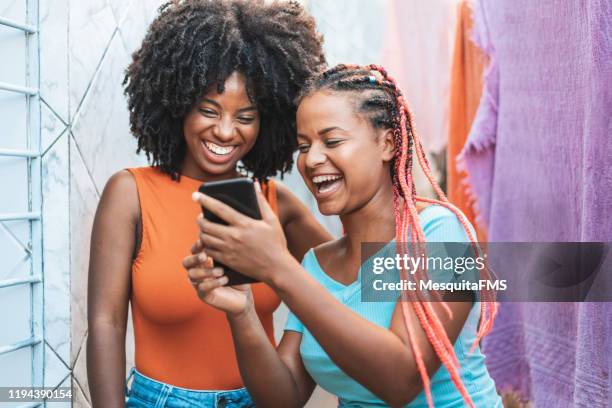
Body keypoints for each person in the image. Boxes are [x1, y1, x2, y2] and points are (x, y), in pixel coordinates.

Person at [185, 64, 502, 407]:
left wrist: (279, 268)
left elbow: (404, 379)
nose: (312, 159)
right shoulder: (315, 265)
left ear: (388, 143)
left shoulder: (440, 233)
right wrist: (242, 310)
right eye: (303, 146)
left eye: (332, 140)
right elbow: (284, 397)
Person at [86, 1, 331, 407]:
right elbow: (105, 323)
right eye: (208, 110)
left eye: (245, 116)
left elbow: (353, 276)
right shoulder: (130, 194)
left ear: (268, 119)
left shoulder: (274, 203)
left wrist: (456, 262)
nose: (225, 131)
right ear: (179, 103)